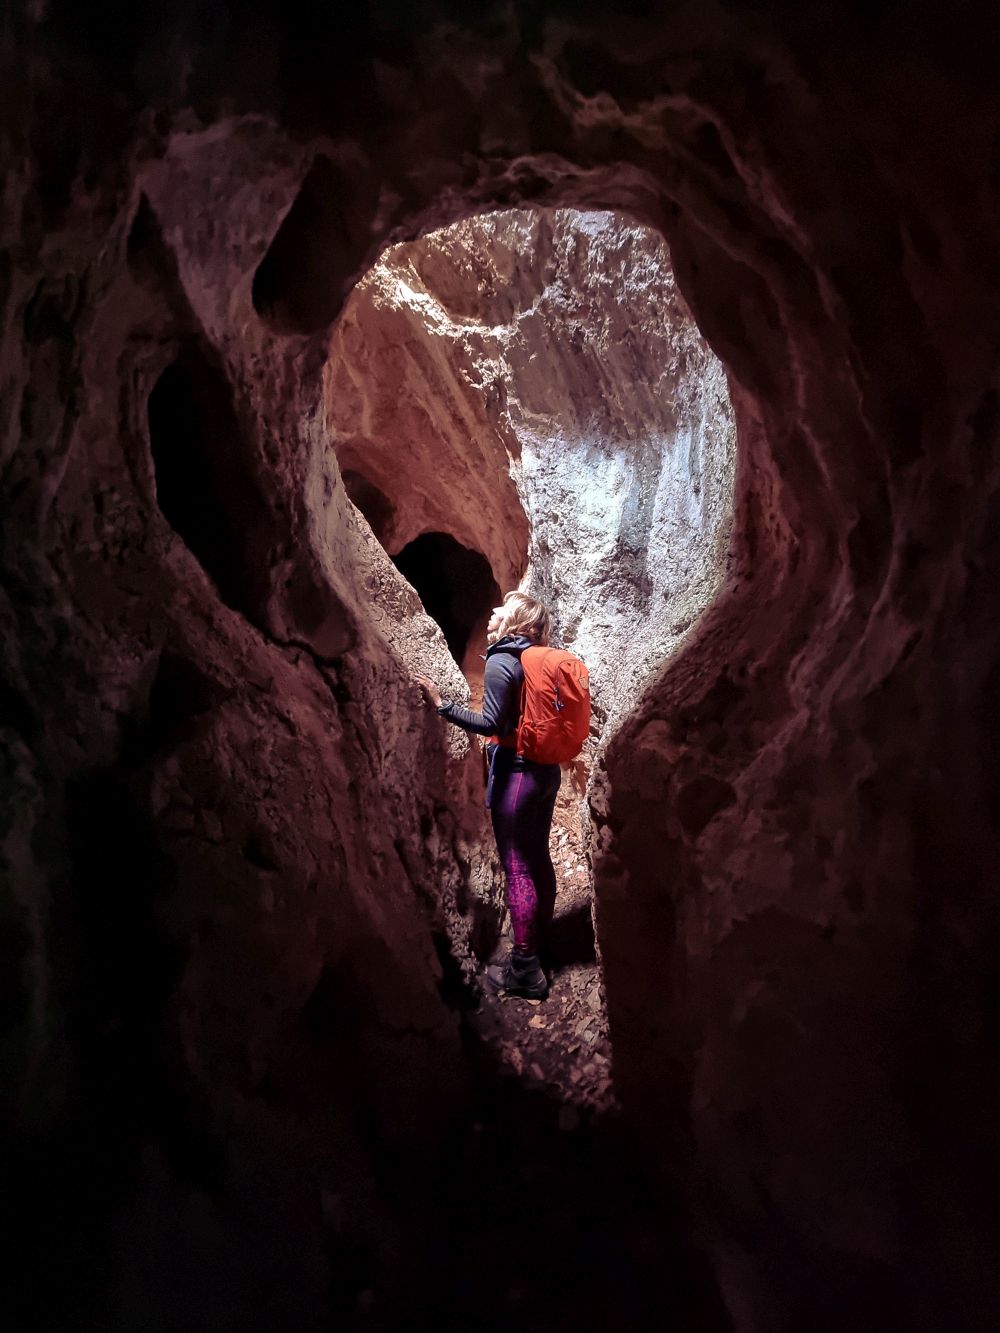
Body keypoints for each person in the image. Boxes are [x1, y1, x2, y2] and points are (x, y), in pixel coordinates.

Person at [416, 591, 561, 1000]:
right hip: (544, 771)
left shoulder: (502, 660)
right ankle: (538, 941)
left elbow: (490, 722)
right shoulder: (539, 659)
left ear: (514, 621)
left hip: (517, 775)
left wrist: (444, 707)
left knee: (517, 868)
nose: (493, 611)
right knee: (537, 858)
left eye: (502, 608)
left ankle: (526, 970)